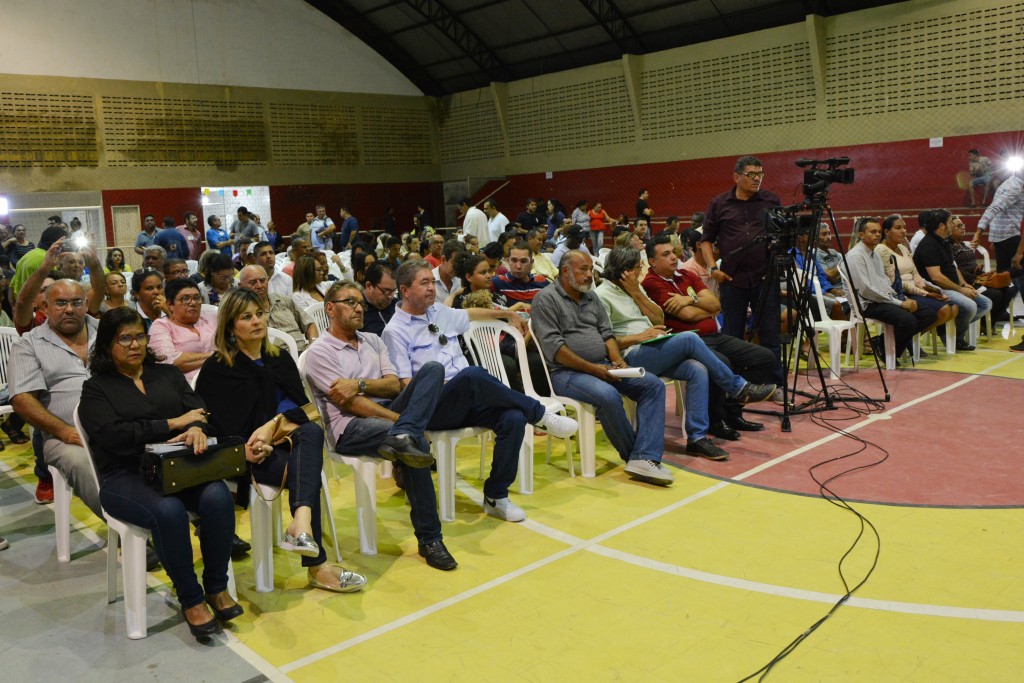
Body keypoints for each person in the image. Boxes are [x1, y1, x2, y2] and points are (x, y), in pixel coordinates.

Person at [78, 307, 238, 638]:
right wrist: (169, 424)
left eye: (140, 336)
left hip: (178, 467)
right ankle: (191, 598)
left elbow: (200, 409)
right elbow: (114, 436)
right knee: (169, 511)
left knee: (219, 496)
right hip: (124, 476)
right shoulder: (96, 389)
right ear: (108, 345)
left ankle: (216, 586)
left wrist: (195, 427)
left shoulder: (166, 375)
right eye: (125, 338)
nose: (135, 345)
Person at [196, 288, 365, 593]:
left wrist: (271, 426)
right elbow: (220, 429)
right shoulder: (217, 369)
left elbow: (306, 412)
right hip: (248, 456)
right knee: (307, 464)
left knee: (311, 435)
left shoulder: (280, 360)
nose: (257, 321)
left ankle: (302, 527)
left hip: (287, 444)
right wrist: (253, 444)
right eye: (246, 317)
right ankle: (315, 561)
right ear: (231, 326)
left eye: (260, 314)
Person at [382, 259, 576, 521]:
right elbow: (405, 385)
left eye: (431, 281)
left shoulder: (438, 311)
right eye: (424, 283)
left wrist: (506, 314)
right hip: (433, 408)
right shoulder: (394, 331)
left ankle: (496, 496)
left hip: (465, 400)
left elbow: (470, 315)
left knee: (513, 418)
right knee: (472, 375)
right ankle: (539, 413)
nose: (431, 288)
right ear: (405, 291)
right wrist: (452, 387)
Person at [303, 281, 457, 571]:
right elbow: (351, 405)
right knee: (416, 442)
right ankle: (430, 539)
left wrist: (360, 384)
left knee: (433, 370)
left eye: (361, 302)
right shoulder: (319, 352)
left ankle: (402, 436)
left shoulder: (373, 339)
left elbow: (392, 386)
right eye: (350, 302)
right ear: (330, 309)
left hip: (387, 414)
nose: (359, 307)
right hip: (350, 428)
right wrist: (403, 423)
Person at [595, 248, 776, 460]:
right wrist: (638, 337)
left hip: (653, 348)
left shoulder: (635, 289)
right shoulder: (601, 296)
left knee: (697, 369)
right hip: (630, 355)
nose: (641, 271)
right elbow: (602, 341)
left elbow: (659, 320)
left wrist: (636, 294)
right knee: (689, 338)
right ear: (625, 271)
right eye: (637, 268)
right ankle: (737, 388)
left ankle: (697, 438)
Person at [531, 250, 673, 485]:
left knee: (653, 385)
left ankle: (644, 457)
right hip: (564, 373)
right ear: (565, 271)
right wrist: (593, 369)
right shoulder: (545, 299)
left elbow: (607, 335)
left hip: (603, 366)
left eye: (590, 269)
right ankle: (636, 457)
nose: (590, 275)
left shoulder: (591, 297)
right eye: (583, 270)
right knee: (607, 395)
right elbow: (555, 350)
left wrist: (617, 360)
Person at [643, 235, 778, 437]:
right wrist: (704, 307)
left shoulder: (686, 274)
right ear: (652, 262)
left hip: (716, 336)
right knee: (722, 361)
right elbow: (687, 315)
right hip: (690, 341)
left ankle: (732, 410)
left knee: (764, 357)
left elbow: (716, 304)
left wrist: (689, 299)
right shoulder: (652, 283)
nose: (674, 257)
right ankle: (716, 420)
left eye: (673, 252)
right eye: (666, 254)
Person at [9, 279, 104, 521]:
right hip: (63, 437)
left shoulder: (106, 332)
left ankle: (187, 513)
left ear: (86, 304)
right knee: (80, 462)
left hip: (118, 425)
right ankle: (129, 530)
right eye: (60, 303)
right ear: (45, 307)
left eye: (76, 302)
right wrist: (66, 432)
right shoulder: (29, 344)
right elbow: (22, 400)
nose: (69, 309)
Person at [846, 217, 938, 361]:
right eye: (873, 232)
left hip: (882, 300)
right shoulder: (855, 256)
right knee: (908, 321)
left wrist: (900, 298)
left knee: (929, 314)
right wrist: (899, 303)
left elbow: (884, 282)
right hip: (867, 304)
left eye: (878, 232)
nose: (877, 234)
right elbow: (866, 290)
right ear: (861, 235)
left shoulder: (874, 254)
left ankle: (881, 343)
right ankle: (889, 353)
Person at [912, 209, 992, 351]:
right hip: (936, 288)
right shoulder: (928, 245)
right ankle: (955, 338)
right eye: (950, 222)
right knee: (970, 306)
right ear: (942, 225)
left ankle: (945, 327)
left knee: (985, 303)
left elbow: (953, 268)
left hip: (953, 286)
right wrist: (960, 290)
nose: (953, 225)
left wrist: (964, 284)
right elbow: (936, 277)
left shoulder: (945, 242)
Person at [875, 215, 957, 339]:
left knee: (953, 307)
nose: (903, 231)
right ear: (886, 232)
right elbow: (895, 282)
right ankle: (906, 340)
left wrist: (929, 288)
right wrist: (926, 294)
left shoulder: (902, 247)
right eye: (898, 228)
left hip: (916, 290)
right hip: (900, 293)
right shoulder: (881, 250)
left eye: (904, 227)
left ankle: (911, 339)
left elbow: (915, 274)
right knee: (944, 310)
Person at [948, 214, 1014, 324]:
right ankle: (983, 323)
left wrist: (977, 268)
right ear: (950, 228)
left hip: (979, 278)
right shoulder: (948, 247)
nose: (963, 227)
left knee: (1009, 290)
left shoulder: (964, 245)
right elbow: (954, 268)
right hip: (968, 282)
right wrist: (969, 277)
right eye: (959, 226)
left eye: (963, 225)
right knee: (995, 294)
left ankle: (991, 322)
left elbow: (968, 263)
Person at [148, 278, 217, 383]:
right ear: (170, 304)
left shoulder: (210, 316)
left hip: (221, 376)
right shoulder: (160, 326)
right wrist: (217, 356)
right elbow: (170, 362)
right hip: (184, 385)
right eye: (185, 298)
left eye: (197, 298)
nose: (193, 303)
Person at [238, 264, 318, 353]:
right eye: (253, 282)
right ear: (241, 286)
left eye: (262, 280)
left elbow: (309, 323)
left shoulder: (282, 300)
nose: (259, 286)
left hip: (303, 354)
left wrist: (313, 343)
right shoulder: (242, 312)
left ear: (268, 280)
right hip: (274, 359)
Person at [973, 174, 1024, 289]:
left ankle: (1000, 305)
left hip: (1000, 235)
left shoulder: (1008, 182)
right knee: (1014, 271)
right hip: (1009, 233)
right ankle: (997, 277)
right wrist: (979, 232)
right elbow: (994, 208)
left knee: (1004, 274)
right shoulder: (1016, 188)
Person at [361, 262, 397, 336]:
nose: (391, 296)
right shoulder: (357, 310)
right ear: (369, 286)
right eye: (386, 291)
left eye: (393, 291)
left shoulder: (397, 305)